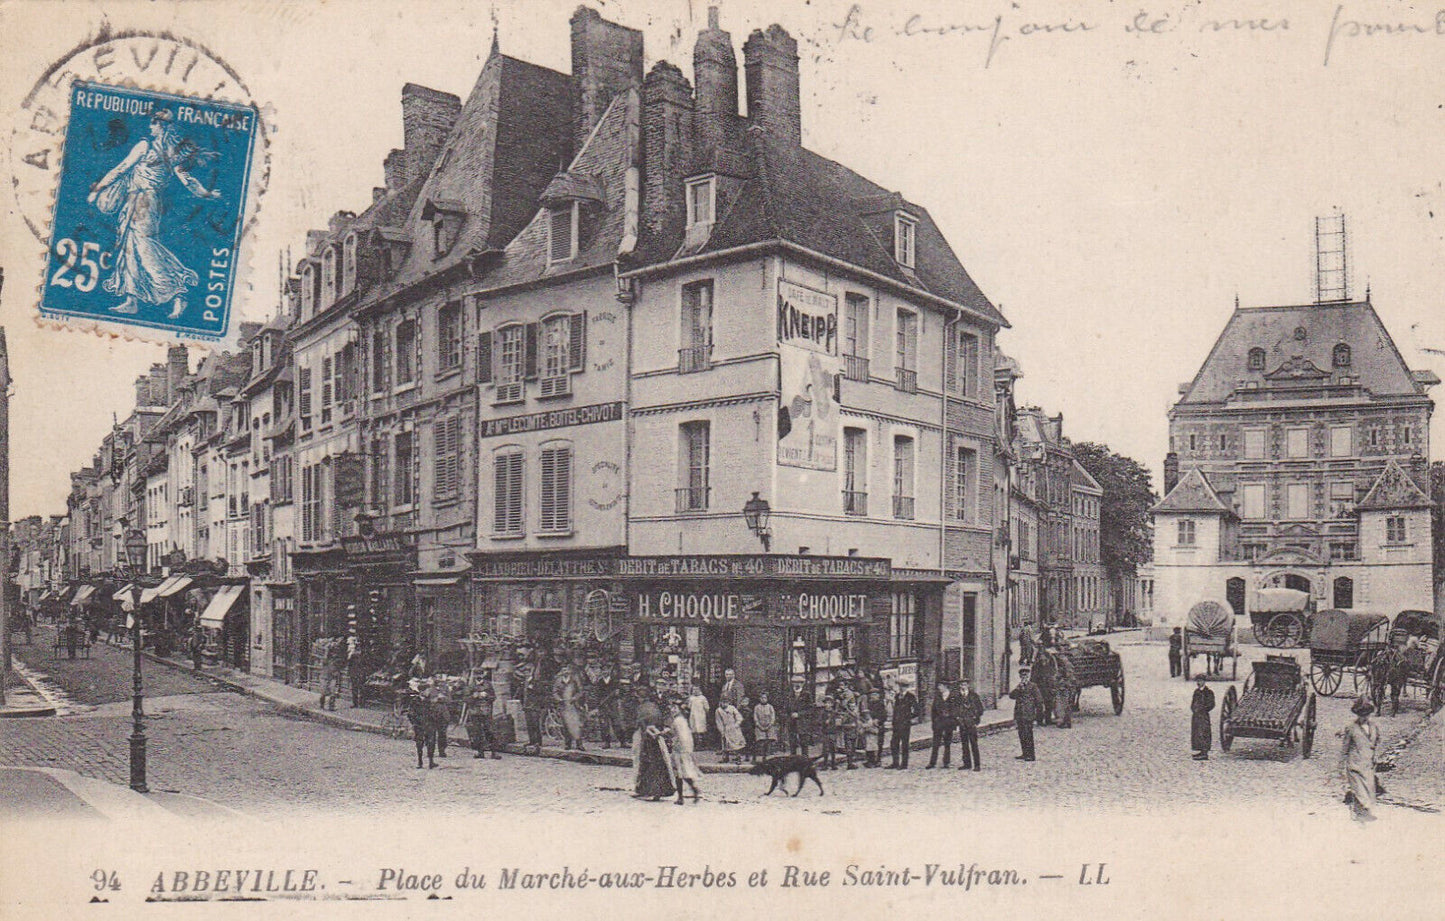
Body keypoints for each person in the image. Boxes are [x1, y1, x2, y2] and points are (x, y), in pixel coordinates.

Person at [86, 109, 220, 318]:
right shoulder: (172, 153)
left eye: (153, 124)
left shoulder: (148, 147)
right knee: (129, 247)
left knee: (145, 246)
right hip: (138, 200)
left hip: (145, 202)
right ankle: (132, 299)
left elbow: (121, 168)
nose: (150, 127)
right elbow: (188, 181)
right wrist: (206, 193)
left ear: (162, 126)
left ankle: (178, 292)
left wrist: (97, 190)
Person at [1340, 696, 1380, 822]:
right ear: (1357, 714)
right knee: (1359, 789)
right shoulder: (1351, 728)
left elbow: (1376, 742)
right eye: (1361, 715)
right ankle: (1359, 814)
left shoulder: (1373, 727)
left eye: (1366, 715)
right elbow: (1345, 747)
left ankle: (1363, 812)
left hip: (1368, 763)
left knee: (1368, 788)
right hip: (1355, 763)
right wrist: (1341, 763)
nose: (1364, 717)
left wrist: (1375, 756)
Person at [633, 690, 676, 802]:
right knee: (659, 763)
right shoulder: (654, 708)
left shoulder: (642, 708)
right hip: (657, 737)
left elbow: (641, 724)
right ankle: (658, 790)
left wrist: (648, 731)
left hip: (648, 738)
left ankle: (651, 790)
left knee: (648, 764)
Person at [666, 699, 702, 804]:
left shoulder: (678, 721)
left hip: (680, 750)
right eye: (672, 708)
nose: (672, 710)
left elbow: (681, 736)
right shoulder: (681, 720)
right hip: (683, 749)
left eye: (675, 708)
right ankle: (693, 791)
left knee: (679, 774)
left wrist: (675, 743)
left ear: (680, 710)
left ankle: (681, 797)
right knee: (683, 773)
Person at [1008, 665, 1042, 761]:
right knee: (1021, 734)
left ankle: (1031, 755)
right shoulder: (1019, 686)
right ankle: (1024, 753)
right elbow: (1011, 696)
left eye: (1026, 676)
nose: (1024, 678)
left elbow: (1039, 700)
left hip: (1028, 713)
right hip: (1019, 714)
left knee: (1028, 734)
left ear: (1028, 676)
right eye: (1022, 676)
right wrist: (1018, 689)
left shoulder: (1033, 686)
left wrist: (1037, 715)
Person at [465, 676, 501, 759]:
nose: (479, 677)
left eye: (481, 674)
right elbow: (466, 699)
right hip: (475, 712)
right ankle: (480, 752)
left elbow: (493, 697)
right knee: (477, 732)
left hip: (486, 711)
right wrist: (474, 696)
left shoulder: (488, 685)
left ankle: (494, 752)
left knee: (489, 731)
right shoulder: (470, 686)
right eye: (477, 674)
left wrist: (487, 696)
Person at [927, 680, 960, 768]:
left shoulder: (953, 697)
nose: (939, 688)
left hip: (949, 723)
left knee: (947, 743)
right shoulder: (937, 697)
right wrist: (934, 722)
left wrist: (954, 721)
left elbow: (957, 710)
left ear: (945, 686)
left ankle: (946, 762)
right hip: (939, 723)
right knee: (935, 743)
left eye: (940, 686)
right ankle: (932, 762)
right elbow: (933, 711)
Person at [553, 663, 586, 752]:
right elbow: (555, 692)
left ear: (570, 671)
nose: (565, 672)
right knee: (566, 725)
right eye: (563, 671)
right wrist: (559, 699)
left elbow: (581, 691)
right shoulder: (558, 681)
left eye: (567, 670)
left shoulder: (575, 680)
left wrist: (574, 698)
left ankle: (579, 744)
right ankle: (568, 744)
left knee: (577, 724)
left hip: (574, 705)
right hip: (564, 706)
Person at [888, 677, 918, 769]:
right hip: (896, 723)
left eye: (903, 686)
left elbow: (916, 710)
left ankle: (904, 764)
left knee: (904, 744)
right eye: (900, 686)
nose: (901, 688)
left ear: (906, 687)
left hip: (905, 724)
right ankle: (895, 762)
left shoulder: (910, 696)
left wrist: (908, 718)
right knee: (894, 743)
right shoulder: (897, 696)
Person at [405, 684, 438, 770]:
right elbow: (410, 713)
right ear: (422, 692)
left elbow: (434, 712)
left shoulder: (429, 701)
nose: (429, 692)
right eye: (427, 690)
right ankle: (420, 762)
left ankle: (431, 762)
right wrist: (415, 723)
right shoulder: (415, 701)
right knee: (419, 744)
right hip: (419, 726)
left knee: (431, 744)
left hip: (430, 725)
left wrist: (434, 720)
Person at [595, 664, 626, 749]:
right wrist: (599, 704)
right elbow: (596, 694)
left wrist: (618, 693)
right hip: (603, 706)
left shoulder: (615, 681)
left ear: (610, 671)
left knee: (617, 723)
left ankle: (622, 742)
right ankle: (606, 742)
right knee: (604, 724)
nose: (605, 672)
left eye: (607, 670)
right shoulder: (599, 682)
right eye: (603, 670)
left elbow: (622, 692)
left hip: (613, 705)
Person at [957, 680, 984, 771]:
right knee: (964, 744)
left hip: (971, 723)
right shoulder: (957, 697)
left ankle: (977, 765)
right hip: (962, 723)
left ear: (968, 685)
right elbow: (954, 708)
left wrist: (975, 718)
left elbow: (980, 709)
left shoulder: (974, 696)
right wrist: (957, 718)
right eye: (961, 685)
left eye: (964, 684)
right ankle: (967, 763)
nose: (963, 686)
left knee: (974, 744)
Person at [520, 663, 547, 754]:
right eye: (525, 671)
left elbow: (540, 694)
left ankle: (538, 742)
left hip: (534, 706)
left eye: (528, 671)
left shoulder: (535, 682)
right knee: (529, 724)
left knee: (536, 724)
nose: (526, 673)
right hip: (527, 706)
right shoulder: (525, 681)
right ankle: (532, 740)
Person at [1190, 674, 1215, 760]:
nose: (1198, 683)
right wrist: (1194, 709)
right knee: (1197, 733)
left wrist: (1203, 709)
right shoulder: (1196, 692)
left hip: (1203, 715)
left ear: (1204, 681)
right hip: (1196, 715)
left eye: (1200, 681)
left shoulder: (1209, 692)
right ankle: (1200, 750)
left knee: (1204, 732)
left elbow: (1211, 704)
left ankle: (1205, 753)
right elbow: (1193, 703)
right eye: (1197, 681)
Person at [716, 697, 746, 764]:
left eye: (725, 702)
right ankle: (725, 758)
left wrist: (737, 724)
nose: (724, 704)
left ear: (728, 702)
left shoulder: (732, 708)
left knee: (736, 742)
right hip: (726, 728)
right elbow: (719, 721)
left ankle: (738, 757)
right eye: (722, 702)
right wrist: (722, 730)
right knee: (725, 743)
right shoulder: (718, 710)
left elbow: (739, 717)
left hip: (734, 727)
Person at [752, 692, 779, 762]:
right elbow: (755, 717)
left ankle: (766, 757)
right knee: (760, 741)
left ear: (767, 699)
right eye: (762, 698)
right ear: (759, 699)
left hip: (769, 726)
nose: (763, 699)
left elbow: (773, 717)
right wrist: (758, 725)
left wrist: (770, 725)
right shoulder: (757, 707)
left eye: (765, 698)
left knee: (768, 741)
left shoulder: (770, 707)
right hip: (759, 726)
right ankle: (756, 758)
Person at [1033, 651, 1057, 726]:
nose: (1043, 661)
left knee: (1049, 704)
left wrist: (1053, 686)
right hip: (1040, 688)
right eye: (1042, 659)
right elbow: (1033, 678)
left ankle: (1048, 720)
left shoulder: (1050, 666)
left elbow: (1053, 675)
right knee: (1039, 705)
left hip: (1048, 687)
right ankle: (1039, 720)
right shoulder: (1036, 667)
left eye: (1045, 659)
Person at [320, 637, 344, 711]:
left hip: (333, 676)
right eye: (332, 652)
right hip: (325, 676)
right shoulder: (326, 659)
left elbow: (339, 666)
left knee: (332, 692)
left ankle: (331, 706)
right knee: (324, 692)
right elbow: (324, 659)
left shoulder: (337, 660)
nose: (334, 654)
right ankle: (322, 704)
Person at [1055, 654, 1076, 729]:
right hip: (1067, 687)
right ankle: (1066, 722)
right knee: (1066, 705)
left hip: (1065, 688)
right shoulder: (1068, 666)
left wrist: (1060, 681)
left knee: (1063, 705)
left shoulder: (1066, 667)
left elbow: (1068, 677)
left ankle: (1064, 722)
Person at [346, 629, 367, 708]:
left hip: (360, 672)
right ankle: (355, 703)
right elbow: (350, 663)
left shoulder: (363, 653)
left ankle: (360, 703)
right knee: (355, 688)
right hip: (355, 672)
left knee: (360, 688)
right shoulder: (353, 653)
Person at [686, 684, 711, 748]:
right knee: (694, 729)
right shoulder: (691, 698)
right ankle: (696, 744)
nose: (695, 691)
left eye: (697, 689)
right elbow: (689, 706)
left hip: (700, 715)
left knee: (701, 729)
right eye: (694, 689)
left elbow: (707, 708)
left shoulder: (702, 698)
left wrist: (705, 714)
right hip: (693, 715)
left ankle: (702, 744)